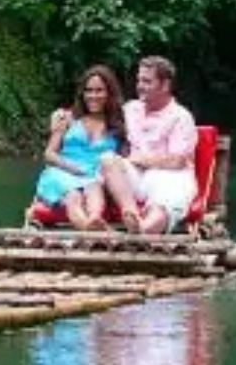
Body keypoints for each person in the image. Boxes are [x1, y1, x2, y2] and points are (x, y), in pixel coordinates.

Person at [100, 56, 196, 234]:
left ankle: (143, 230)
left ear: (165, 85)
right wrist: (65, 116)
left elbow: (177, 162)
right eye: (139, 80)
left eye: (146, 81)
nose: (139, 86)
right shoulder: (130, 109)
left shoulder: (181, 116)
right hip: (136, 175)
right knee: (107, 159)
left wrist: (143, 159)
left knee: (165, 201)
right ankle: (131, 215)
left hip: (170, 176)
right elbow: (96, 117)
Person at [34, 65, 128, 230]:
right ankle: (90, 229)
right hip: (63, 172)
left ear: (109, 93)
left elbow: (124, 161)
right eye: (89, 90)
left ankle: (94, 220)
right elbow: (49, 154)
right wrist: (72, 168)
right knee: (73, 196)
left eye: (99, 90)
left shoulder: (118, 125)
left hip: (94, 176)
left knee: (94, 190)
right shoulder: (68, 118)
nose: (93, 96)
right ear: (82, 93)